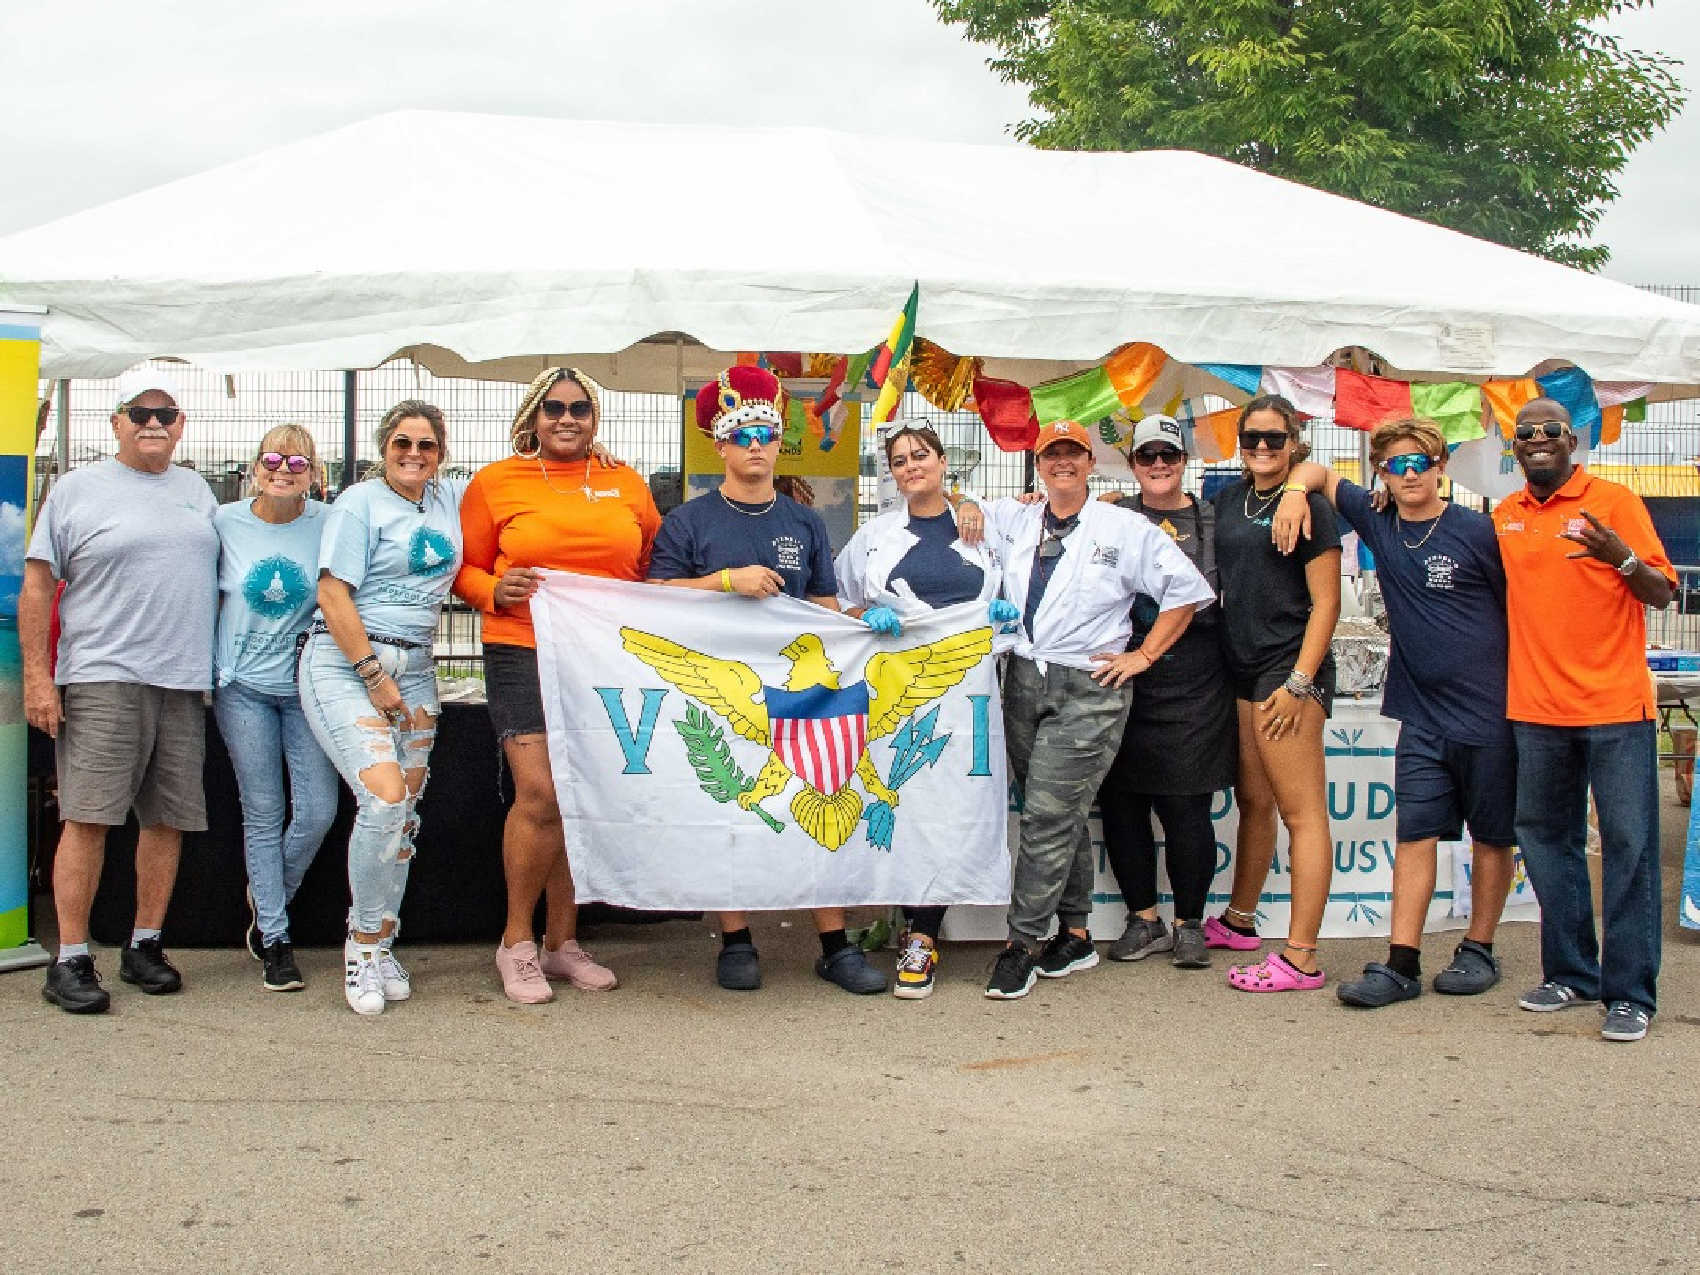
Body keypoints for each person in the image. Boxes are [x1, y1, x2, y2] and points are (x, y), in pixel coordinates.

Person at [648, 364, 887, 995]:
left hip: (798, 694)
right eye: (744, 435)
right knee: (730, 805)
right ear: (721, 446)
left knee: (817, 801)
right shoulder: (687, 523)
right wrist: (726, 581)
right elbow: (654, 600)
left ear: (780, 443)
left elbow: (824, 609)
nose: (756, 446)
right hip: (722, 694)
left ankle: (833, 944)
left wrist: (867, 622)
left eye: (766, 434)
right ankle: (735, 937)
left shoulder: (805, 522)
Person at [1273, 416, 1516, 1007]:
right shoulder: (1380, 522)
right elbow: (1318, 470)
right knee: (1414, 835)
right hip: (1422, 716)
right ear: (1381, 471)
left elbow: (1520, 607)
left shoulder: (1478, 532)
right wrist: (1294, 492)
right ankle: (1401, 961)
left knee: (1491, 837)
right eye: (1396, 465)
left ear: (1440, 469)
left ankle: (1478, 947)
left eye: (1420, 464)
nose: (1409, 475)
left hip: (1491, 714)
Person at [980, 419, 1215, 1000]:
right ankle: (1078, 933)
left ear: (1090, 463)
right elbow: (959, 507)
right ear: (1038, 464)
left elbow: (1185, 592)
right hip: (1024, 680)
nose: (1062, 463)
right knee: (1059, 813)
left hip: (1089, 686)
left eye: (1073, 454)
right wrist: (965, 504)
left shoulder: (1124, 527)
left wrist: (1144, 655)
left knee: (1046, 817)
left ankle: (1022, 944)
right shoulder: (1018, 518)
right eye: (1051, 454)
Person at [456, 367, 660, 1005]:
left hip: (602, 658)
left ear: (595, 418)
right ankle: (517, 943)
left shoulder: (627, 483)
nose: (566, 419)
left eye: (578, 408)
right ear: (532, 417)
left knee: (578, 795)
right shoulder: (493, 483)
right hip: (521, 650)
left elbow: (652, 562)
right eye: (552, 409)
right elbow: (463, 567)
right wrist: (492, 589)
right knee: (539, 793)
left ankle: (562, 943)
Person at [23, 368, 219, 1014]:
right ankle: (72, 956)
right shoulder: (78, 490)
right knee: (90, 816)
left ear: (182, 425)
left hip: (183, 681)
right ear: (115, 424)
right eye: (140, 413)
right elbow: (38, 586)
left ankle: (144, 943)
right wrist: (37, 676)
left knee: (166, 820)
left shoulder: (198, 490)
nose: (154, 423)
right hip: (103, 676)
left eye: (167, 414)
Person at [1493, 397, 1674, 1043]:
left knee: (1629, 848)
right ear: (1513, 447)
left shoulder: (1615, 500)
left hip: (1615, 708)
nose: (1537, 439)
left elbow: (1664, 589)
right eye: (1525, 433)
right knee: (1546, 842)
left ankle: (1629, 994)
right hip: (1536, 710)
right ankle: (1571, 971)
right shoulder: (1506, 514)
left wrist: (1619, 555)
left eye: (1550, 431)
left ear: (1573, 441)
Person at [834, 419, 1018, 998]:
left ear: (944, 463)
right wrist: (866, 618)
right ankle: (909, 924)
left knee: (954, 803)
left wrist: (1005, 620)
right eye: (898, 460)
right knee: (902, 800)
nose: (911, 465)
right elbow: (841, 600)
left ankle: (924, 934)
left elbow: (1020, 586)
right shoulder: (873, 537)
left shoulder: (986, 526)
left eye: (921, 455)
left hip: (969, 692)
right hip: (897, 690)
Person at [299, 400, 463, 1016]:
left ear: (440, 452)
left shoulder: (449, 500)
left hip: (418, 668)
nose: (414, 455)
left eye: (426, 444)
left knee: (405, 818)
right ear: (383, 448)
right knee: (385, 798)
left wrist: (596, 457)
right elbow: (331, 591)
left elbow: (518, 473)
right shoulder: (358, 504)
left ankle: (385, 940)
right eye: (402, 443)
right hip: (347, 665)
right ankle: (361, 947)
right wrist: (371, 673)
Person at [1207, 394, 1341, 992]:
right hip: (1241, 669)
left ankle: (1301, 957)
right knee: (1254, 800)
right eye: (1252, 438)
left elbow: (1328, 605)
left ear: (1295, 443)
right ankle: (1239, 920)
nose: (1262, 448)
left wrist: (1299, 682)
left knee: (1302, 813)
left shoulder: (1310, 504)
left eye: (1274, 439)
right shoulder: (1230, 499)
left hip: (1287, 670)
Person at [1094, 415, 1235, 971]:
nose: (1158, 465)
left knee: (1186, 806)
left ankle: (1190, 923)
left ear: (1183, 462)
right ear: (1132, 465)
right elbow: (1044, 516)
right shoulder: (1109, 516)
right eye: (1147, 456)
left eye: (1168, 456)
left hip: (1195, 678)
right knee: (1123, 803)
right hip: (1124, 670)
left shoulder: (1212, 518)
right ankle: (1143, 918)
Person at [213, 424, 340, 993]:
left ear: (315, 472)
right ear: (254, 466)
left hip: (307, 688)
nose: (283, 468)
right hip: (241, 687)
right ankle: (276, 939)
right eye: (271, 457)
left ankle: (268, 896)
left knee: (317, 810)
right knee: (262, 811)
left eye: (297, 461)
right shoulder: (224, 523)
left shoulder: (329, 525)